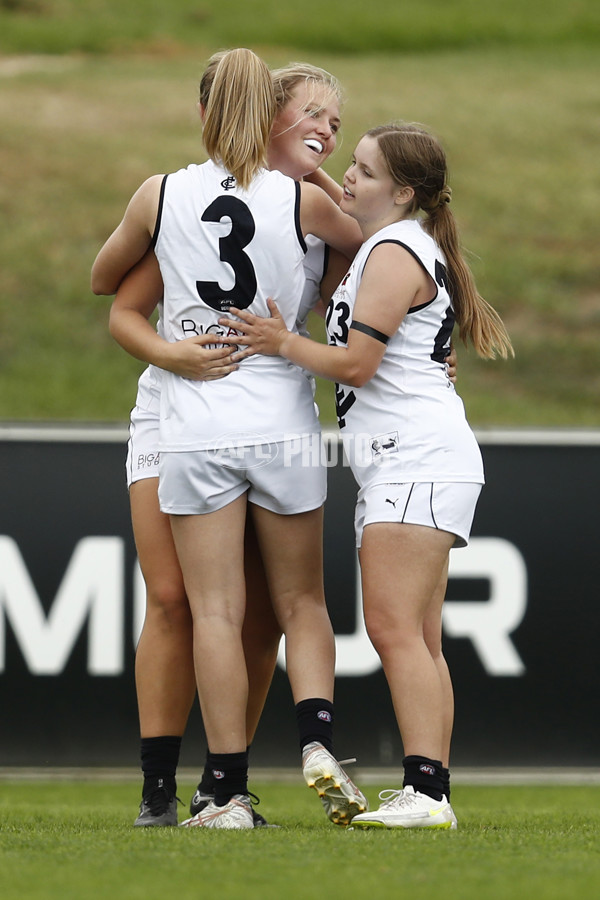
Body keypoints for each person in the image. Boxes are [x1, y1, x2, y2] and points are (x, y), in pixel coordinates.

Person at [92, 48, 368, 830]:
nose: (325, 131)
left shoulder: (167, 192)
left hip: (200, 419)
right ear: (265, 115)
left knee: (229, 612)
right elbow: (374, 258)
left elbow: (103, 279)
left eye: (334, 125)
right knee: (223, 601)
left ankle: (223, 787)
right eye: (312, 115)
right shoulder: (301, 206)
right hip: (257, 414)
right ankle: (219, 776)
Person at [219, 121, 513, 830]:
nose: (347, 177)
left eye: (365, 171)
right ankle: (430, 790)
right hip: (419, 457)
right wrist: (305, 169)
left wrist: (280, 342)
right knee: (419, 635)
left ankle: (426, 793)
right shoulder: (397, 241)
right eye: (349, 165)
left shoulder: (392, 250)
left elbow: (356, 365)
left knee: (392, 628)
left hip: (415, 457)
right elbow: (351, 216)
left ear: (404, 192)